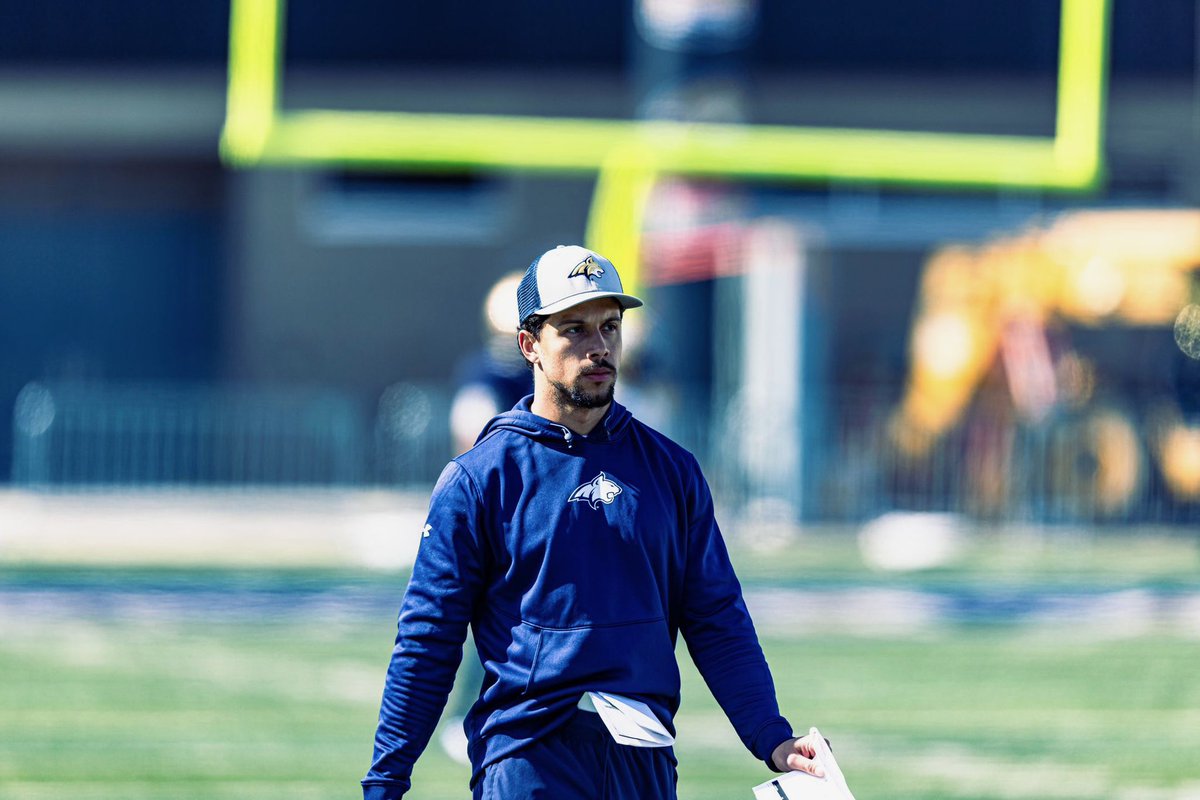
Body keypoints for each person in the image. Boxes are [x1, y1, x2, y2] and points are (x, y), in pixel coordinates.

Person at [363, 244, 826, 799]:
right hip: (527, 760)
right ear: (530, 344)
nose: (599, 346)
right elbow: (427, 639)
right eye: (575, 329)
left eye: (610, 326)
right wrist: (386, 780)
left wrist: (770, 735)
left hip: (645, 761)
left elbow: (715, 615)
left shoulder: (671, 470)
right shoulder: (479, 478)